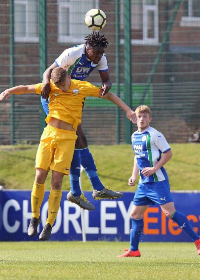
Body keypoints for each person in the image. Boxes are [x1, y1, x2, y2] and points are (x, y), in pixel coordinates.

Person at [0, 67, 136, 241]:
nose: (62, 89)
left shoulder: (82, 87)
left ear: (69, 77)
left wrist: (128, 110)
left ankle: (49, 224)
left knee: (57, 181)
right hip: (49, 134)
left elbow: (108, 95)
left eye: (64, 85)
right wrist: (9, 91)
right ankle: (34, 218)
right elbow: (26, 88)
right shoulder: (51, 86)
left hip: (68, 138)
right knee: (40, 176)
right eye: (59, 86)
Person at [41, 32, 121, 211]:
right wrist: (46, 83)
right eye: (97, 53)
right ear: (88, 48)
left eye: (102, 53)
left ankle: (79, 192)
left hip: (73, 98)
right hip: (54, 99)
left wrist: (106, 85)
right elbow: (48, 71)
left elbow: (106, 80)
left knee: (80, 141)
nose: (99, 56)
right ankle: (91, 189)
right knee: (77, 139)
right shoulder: (73, 53)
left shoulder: (101, 58)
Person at [117, 105, 200, 257]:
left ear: (150, 119)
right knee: (135, 215)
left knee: (170, 213)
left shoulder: (155, 135)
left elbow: (168, 153)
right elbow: (137, 156)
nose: (141, 119)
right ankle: (134, 250)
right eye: (139, 116)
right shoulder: (134, 136)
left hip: (157, 181)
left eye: (144, 117)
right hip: (143, 184)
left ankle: (197, 241)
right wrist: (133, 175)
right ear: (135, 119)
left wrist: (154, 169)